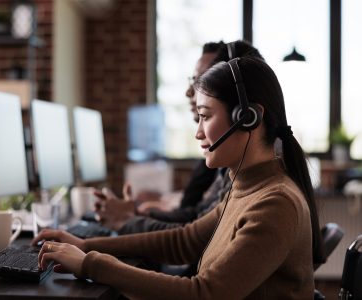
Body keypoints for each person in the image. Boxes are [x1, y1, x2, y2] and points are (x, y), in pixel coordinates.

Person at [32, 43, 325, 299]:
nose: (198, 133)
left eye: (205, 116)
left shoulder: (275, 203)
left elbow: (204, 294)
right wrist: (85, 244)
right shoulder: (245, 186)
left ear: (247, 118)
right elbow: (182, 241)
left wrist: (90, 264)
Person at [97, 41, 262, 235]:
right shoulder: (232, 164)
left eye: (201, 81)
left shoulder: (260, 188)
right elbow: (196, 221)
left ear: (242, 114)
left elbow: (190, 238)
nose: (190, 91)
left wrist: (128, 220)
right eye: (194, 80)